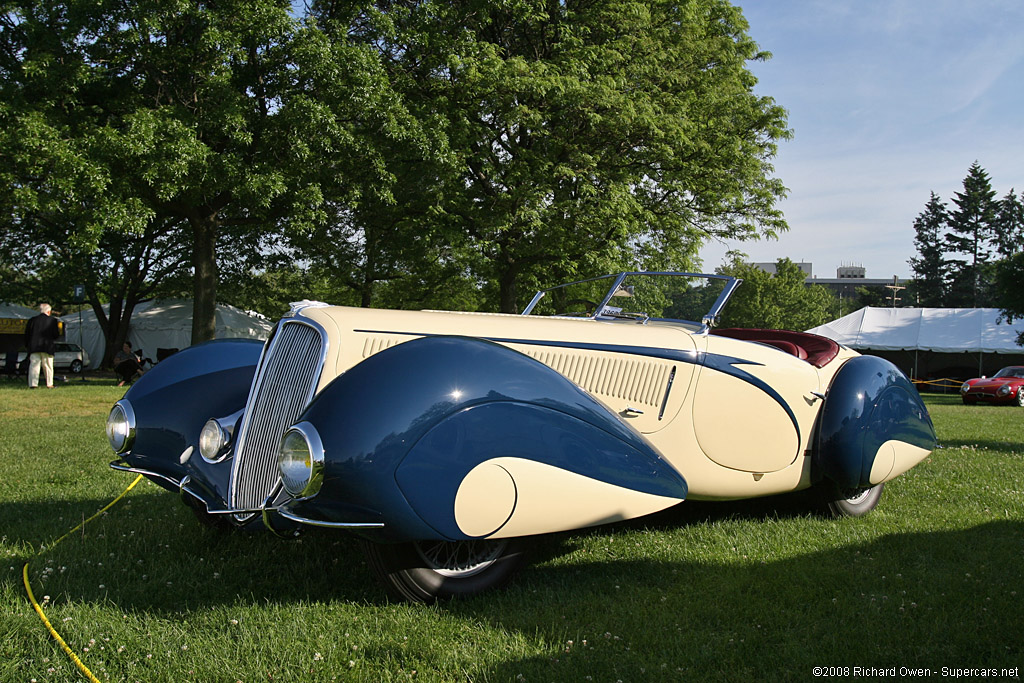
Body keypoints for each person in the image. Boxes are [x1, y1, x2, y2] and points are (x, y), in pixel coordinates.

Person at [24, 303, 61, 389]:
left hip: (34, 346)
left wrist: (27, 345)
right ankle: (49, 384)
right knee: (48, 366)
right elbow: (56, 335)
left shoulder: (32, 320)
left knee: (34, 366)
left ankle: (33, 384)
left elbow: (27, 335)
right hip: (47, 346)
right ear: (49, 311)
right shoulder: (52, 320)